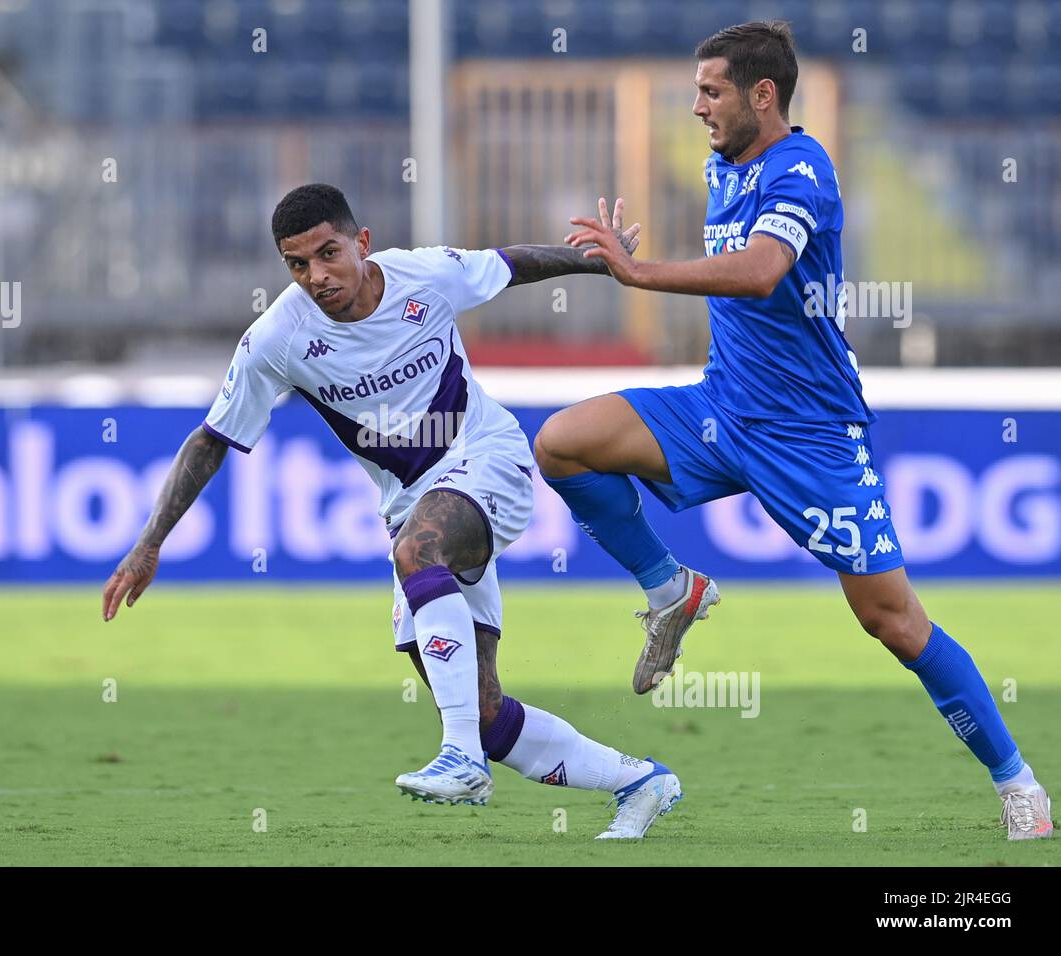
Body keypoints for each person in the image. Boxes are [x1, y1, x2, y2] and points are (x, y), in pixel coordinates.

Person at [535, 21, 1052, 841]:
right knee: (560, 442)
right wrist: (638, 253)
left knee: (893, 621)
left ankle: (1019, 783)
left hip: (810, 435)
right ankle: (671, 589)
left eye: (711, 90)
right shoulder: (721, 166)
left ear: (762, 94)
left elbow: (760, 271)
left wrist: (640, 273)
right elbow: (735, 269)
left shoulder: (803, 170)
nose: (696, 106)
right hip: (721, 407)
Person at [103, 183, 680, 838]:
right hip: (414, 505)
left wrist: (599, 261)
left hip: (488, 458)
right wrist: (149, 543)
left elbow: (509, 263)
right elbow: (211, 438)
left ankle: (458, 757)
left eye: (328, 253)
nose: (317, 276)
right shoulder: (277, 339)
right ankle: (640, 780)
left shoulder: (425, 276)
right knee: (484, 711)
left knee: (417, 553)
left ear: (362, 243)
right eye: (298, 265)